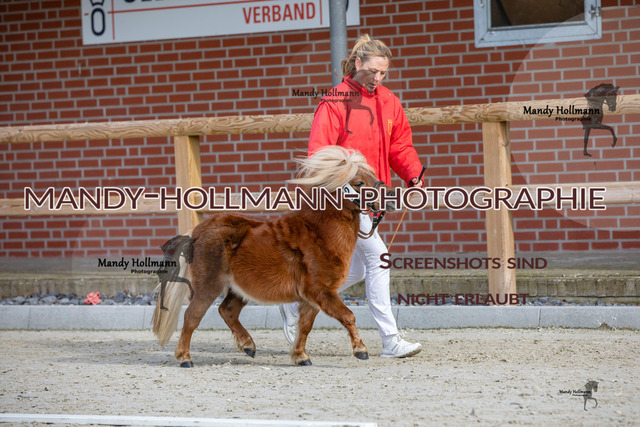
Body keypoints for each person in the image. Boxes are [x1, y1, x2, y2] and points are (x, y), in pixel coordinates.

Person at [280, 34, 424, 358]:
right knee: (379, 258)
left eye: (383, 72)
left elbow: (400, 147)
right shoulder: (335, 101)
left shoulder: (390, 102)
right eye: (372, 71)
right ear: (357, 64)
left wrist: (413, 175)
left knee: (356, 271)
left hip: (372, 199)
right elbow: (319, 154)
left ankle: (297, 299)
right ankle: (391, 340)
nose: (377, 78)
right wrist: (347, 188)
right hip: (343, 201)